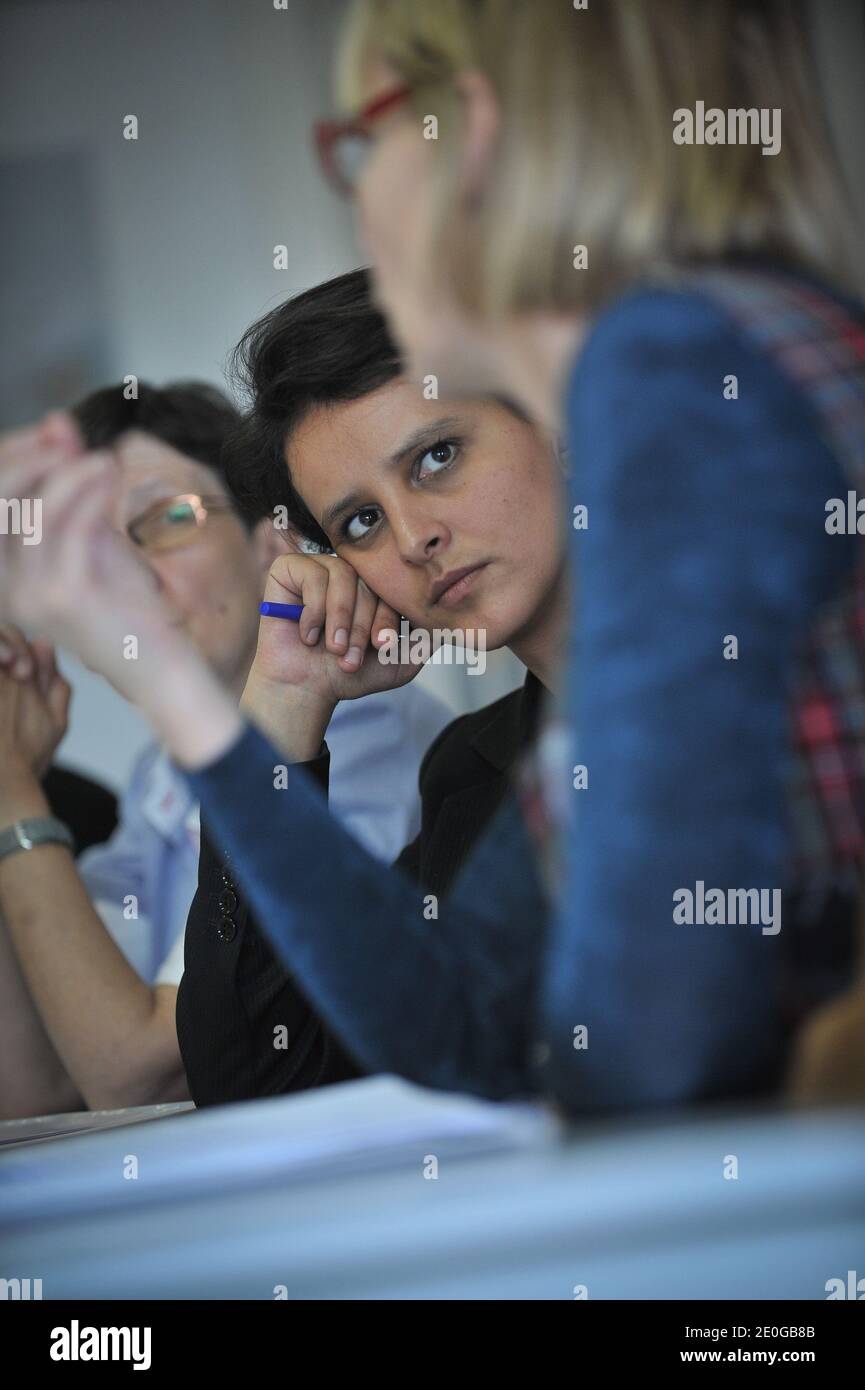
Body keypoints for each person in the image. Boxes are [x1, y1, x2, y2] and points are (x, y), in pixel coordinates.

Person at [5, 0, 864, 1113]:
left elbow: (639, 1047)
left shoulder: (677, 364)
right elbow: (458, 1026)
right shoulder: (510, 740)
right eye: (357, 522)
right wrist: (199, 698)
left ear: (471, 132)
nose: (409, 539)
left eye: (360, 145)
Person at [0, 382, 450, 1118]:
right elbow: (37, 1088)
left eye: (165, 520)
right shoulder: (159, 777)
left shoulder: (361, 730)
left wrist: (14, 794)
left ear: (272, 543)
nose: (126, 578)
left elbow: (138, 1074)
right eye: (96, 550)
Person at [177, 268, 565, 1104]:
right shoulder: (469, 770)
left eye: (436, 456)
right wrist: (280, 708)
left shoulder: (769, 665)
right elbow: (263, 1088)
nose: (416, 537)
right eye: (361, 522)